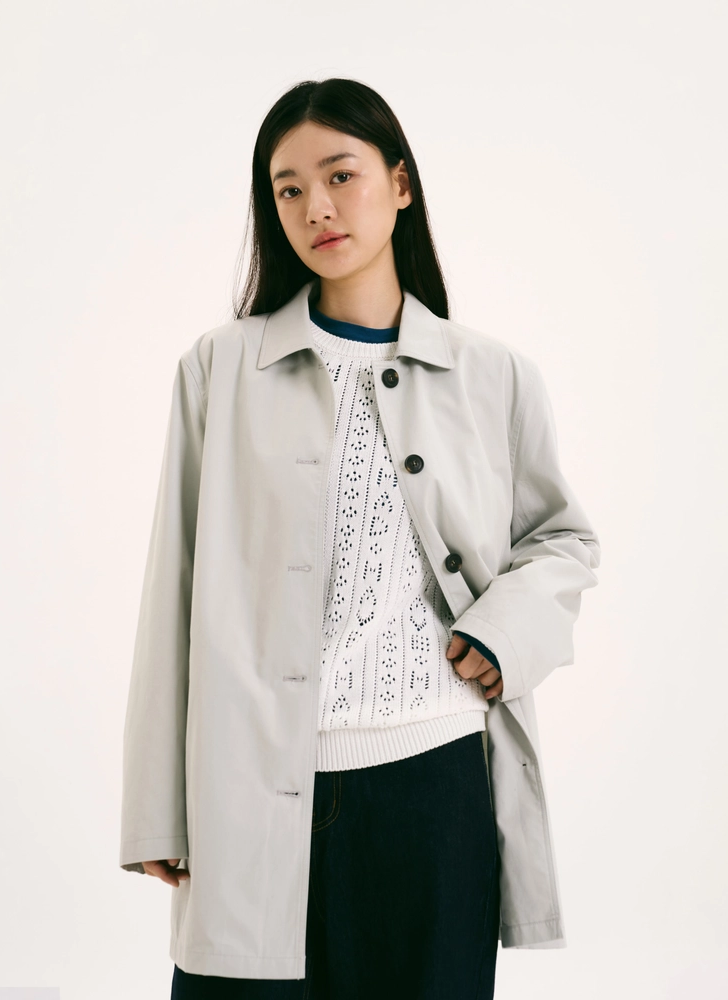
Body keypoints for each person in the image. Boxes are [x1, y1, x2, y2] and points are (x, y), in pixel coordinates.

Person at [119, 77, 601, 1000]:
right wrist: (157, 809)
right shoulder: (221, 368)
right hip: (251, 790)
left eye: (341, 175)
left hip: (436, 790)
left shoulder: (493, 375)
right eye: (289, 189)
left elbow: (562, 539)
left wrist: (504, 633)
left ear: (401, 184)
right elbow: (170, 590)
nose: (317, 207)